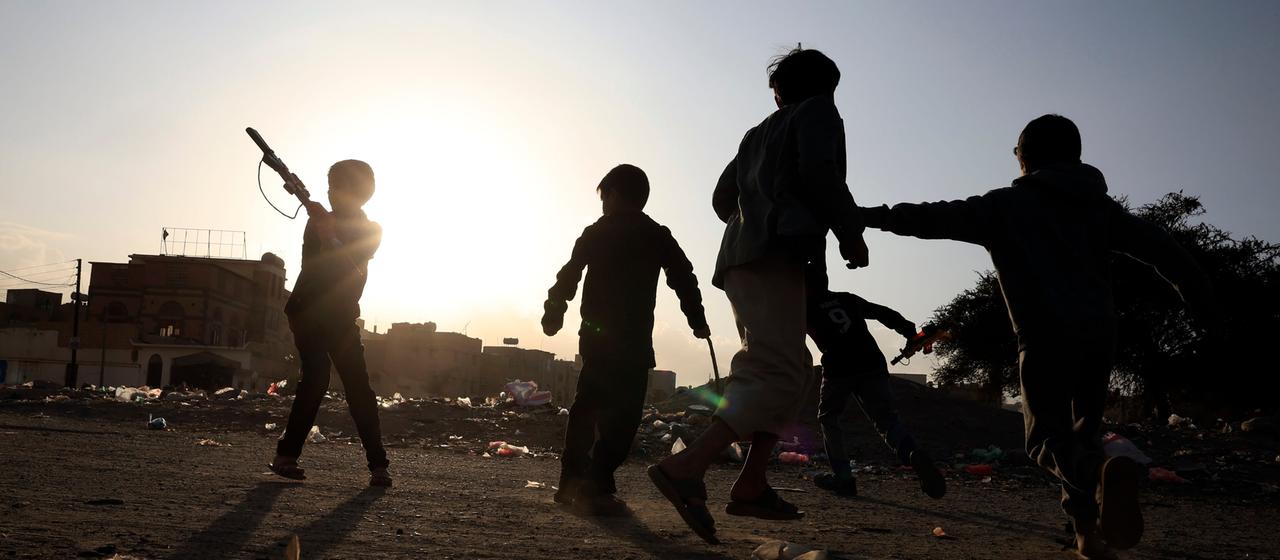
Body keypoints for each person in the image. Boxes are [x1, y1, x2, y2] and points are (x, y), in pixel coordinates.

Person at [859, 115, 1218, 559]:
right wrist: (1200, 298)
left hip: (1044, 336)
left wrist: (868, 217)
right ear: (1076, 156)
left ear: (1024, 158)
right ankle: (1088, 534)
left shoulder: (1005, 206)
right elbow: (1163, 249)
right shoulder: (1099, 208)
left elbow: (933, 217)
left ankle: (1100, 470)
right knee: (1081, 432)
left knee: (1045, 440)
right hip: (1100, 334)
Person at [648, 47, 869, 544]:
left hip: (744, 258)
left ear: (778, 92)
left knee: (785, 368)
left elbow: (722, 198)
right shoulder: (819, 112)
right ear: (828, 86)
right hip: (776, 256)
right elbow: (821, 173)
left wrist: (755, 216)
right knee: (778, 368)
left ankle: (751, 483)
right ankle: (688, 467)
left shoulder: (755, 136)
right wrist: (848, 231)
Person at [542, 164, 711, 516]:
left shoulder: (596, 232)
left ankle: (572, 480)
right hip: (633, 344)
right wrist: (696, 319)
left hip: (596, 339)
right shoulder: (656, 234)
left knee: (587, 406)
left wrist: (554, 312)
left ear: (615, 195)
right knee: (624, 416)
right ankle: (597, 480)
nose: (603, 205)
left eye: (604, 197)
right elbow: (683, 276)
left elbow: (568, 276)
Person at [268, 159, 391, 488]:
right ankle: (286, 456)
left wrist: (330, 233)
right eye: (331, 185)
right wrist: (323, 229)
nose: (331, 192)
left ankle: (378, 465)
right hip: (308, 311)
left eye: (340, 186)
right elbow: (319, 265)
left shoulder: (371, 230)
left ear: (362, 193)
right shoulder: (318, 221)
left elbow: (350, 263)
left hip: (340, 316)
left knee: (358, 387)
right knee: (316, 378)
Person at [803, 260, 945, 499]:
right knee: (887, 421)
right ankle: (912, 454)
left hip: (839, 368)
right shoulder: (847, 298)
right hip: (871, 361)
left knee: (829, 418)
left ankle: (843, 478)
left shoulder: (802, 308)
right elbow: (883, 313)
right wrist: (911, 333)